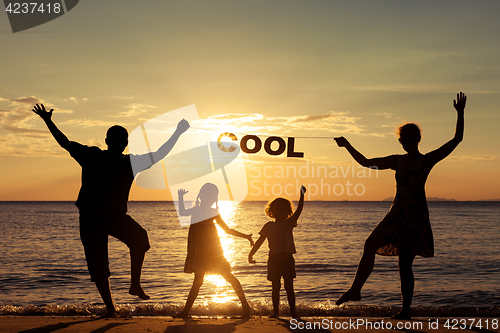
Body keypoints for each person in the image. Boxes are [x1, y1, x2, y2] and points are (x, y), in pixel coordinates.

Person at [32, 103, 190, 317]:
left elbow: (65, 143)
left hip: (114, 217)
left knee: (140, 239)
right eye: (117, 140)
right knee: (99, 266)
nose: (119, 143)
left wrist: (48, 121)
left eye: (120, 141)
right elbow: (65, 143)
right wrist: (178, 132)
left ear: (121, 143)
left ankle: (133, 287)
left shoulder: (126, 162)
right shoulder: (98, 157)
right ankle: (111, 308)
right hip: (91, 219)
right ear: (113, 142)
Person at [333, 93, 467, 319]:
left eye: (410, 139)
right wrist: (347, 145)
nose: (406, 143)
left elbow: (456, 140)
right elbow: (366, 163)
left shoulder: (427, 160)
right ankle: (356, 289)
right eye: (403, 140)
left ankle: (405, 310)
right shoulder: (397, 161)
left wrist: (460, 113)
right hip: (397, 214)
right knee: (370, 245)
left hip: (415, 217)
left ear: (418, 139)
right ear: (400, 142)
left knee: (405, 265)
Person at [175, 183, 254, 318]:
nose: (210, 198)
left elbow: (227, 230)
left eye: (213, 196)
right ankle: (185, 312)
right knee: (198, 281)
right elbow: (182, 212)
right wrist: (180, 197)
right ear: (201, 196)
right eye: (208, 195)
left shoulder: (213, 212)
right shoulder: (196, 210)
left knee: (228, 276)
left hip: (212, 251)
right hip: (198, 251)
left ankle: (246, 307)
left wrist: (245, 236)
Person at [248, 185, 306, 319]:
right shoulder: (268, 226)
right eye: (276, 209)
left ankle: (293, 313)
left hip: (287, 260)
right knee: (275, 287)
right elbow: (259, 241)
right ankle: (276, 312)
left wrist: (302, 195)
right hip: (274, 260)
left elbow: (300, 209)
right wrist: (251, 253)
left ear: (287, 212)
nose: (279, 211)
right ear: (271, 211)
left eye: (282, 209)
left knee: (289, 287)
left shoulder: (290, 222)